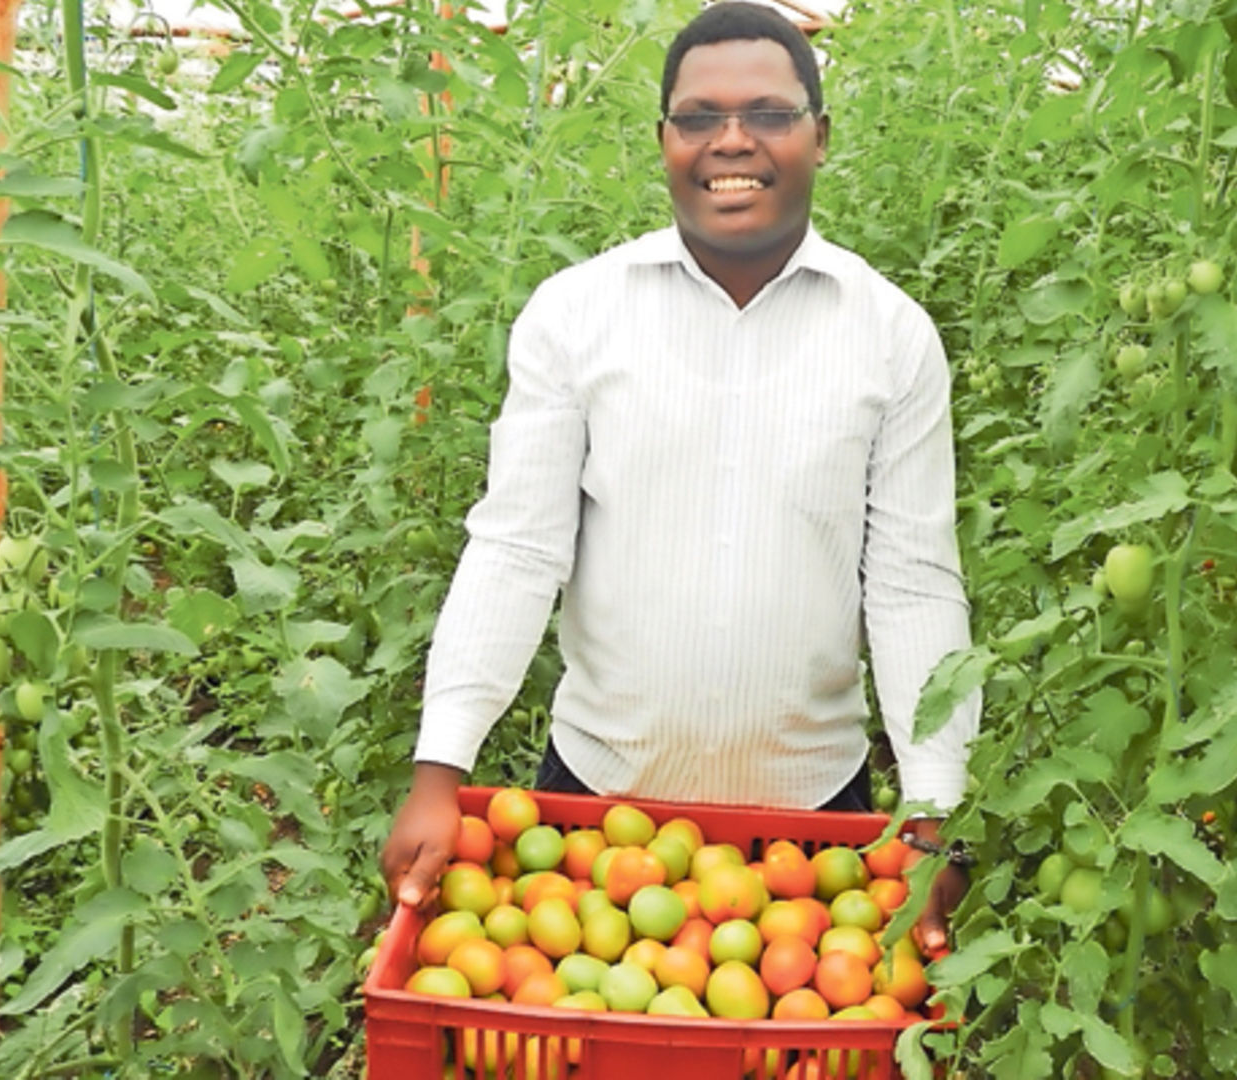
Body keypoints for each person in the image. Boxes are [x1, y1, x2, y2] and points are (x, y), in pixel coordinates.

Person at [380, 1, 980, 956]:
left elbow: (912, 582)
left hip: (812, 830)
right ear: (663, 140)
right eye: (698, 117)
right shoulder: (577, 313)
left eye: (768, 114)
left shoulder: (891, 334)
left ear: (819, 136)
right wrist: (438, 768)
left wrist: (935, 801)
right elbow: (516, 547)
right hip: (591, 817)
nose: (729, 141)